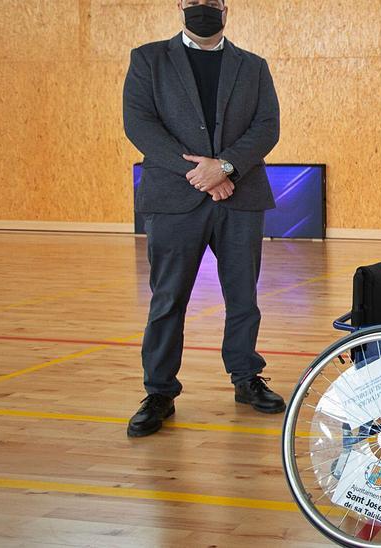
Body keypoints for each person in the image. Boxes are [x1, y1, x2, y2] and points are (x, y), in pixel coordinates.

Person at [123, 0, 283, 438]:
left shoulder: (253, 66)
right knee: (167, 300)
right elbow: (139, 125)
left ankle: (246, 377)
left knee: (243, 298)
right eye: (195, 0)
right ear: (180, 5)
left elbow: (267, 126)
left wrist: (226, 167)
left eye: (212, 1)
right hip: (175, 198)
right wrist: (201, 174)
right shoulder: (148, 59)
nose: (204, 7)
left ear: (225, 9)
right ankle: (159, 391)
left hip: (240, 196)